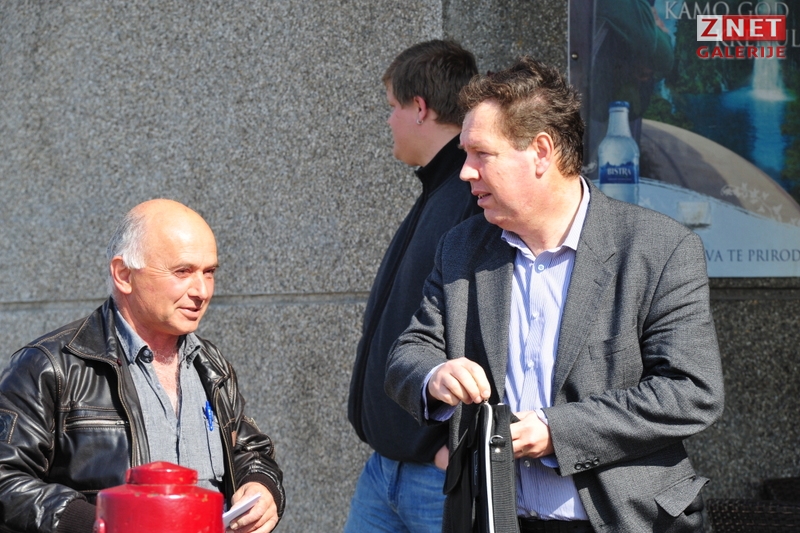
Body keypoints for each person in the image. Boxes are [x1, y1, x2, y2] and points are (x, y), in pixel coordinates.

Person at [385, 57, 724, 533]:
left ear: (541, 151)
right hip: (496, 519)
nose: (465, 172)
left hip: (623, 519)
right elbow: (409, 352)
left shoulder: (658, 248)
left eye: (481, 153)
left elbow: (691, 391)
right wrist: (435, 374)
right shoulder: (462, 248)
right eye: (465, 154)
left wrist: (555, 431)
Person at [0, 199, 285, 533]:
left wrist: (262, 487)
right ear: (124, 275)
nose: (202, 291)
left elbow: (250, 451)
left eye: (209, 272)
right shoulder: (50, 366)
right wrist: (99, 524)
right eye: (182, 271)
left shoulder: (211, 365)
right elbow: (6, 479)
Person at [345, 40, 481, 532]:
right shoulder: (438, 190)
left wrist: (454, 449)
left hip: (434, 478)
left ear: (420, 108)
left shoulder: (471, 197)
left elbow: (498, 328)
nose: (389, 121)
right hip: (386, 470)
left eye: (392, 107)